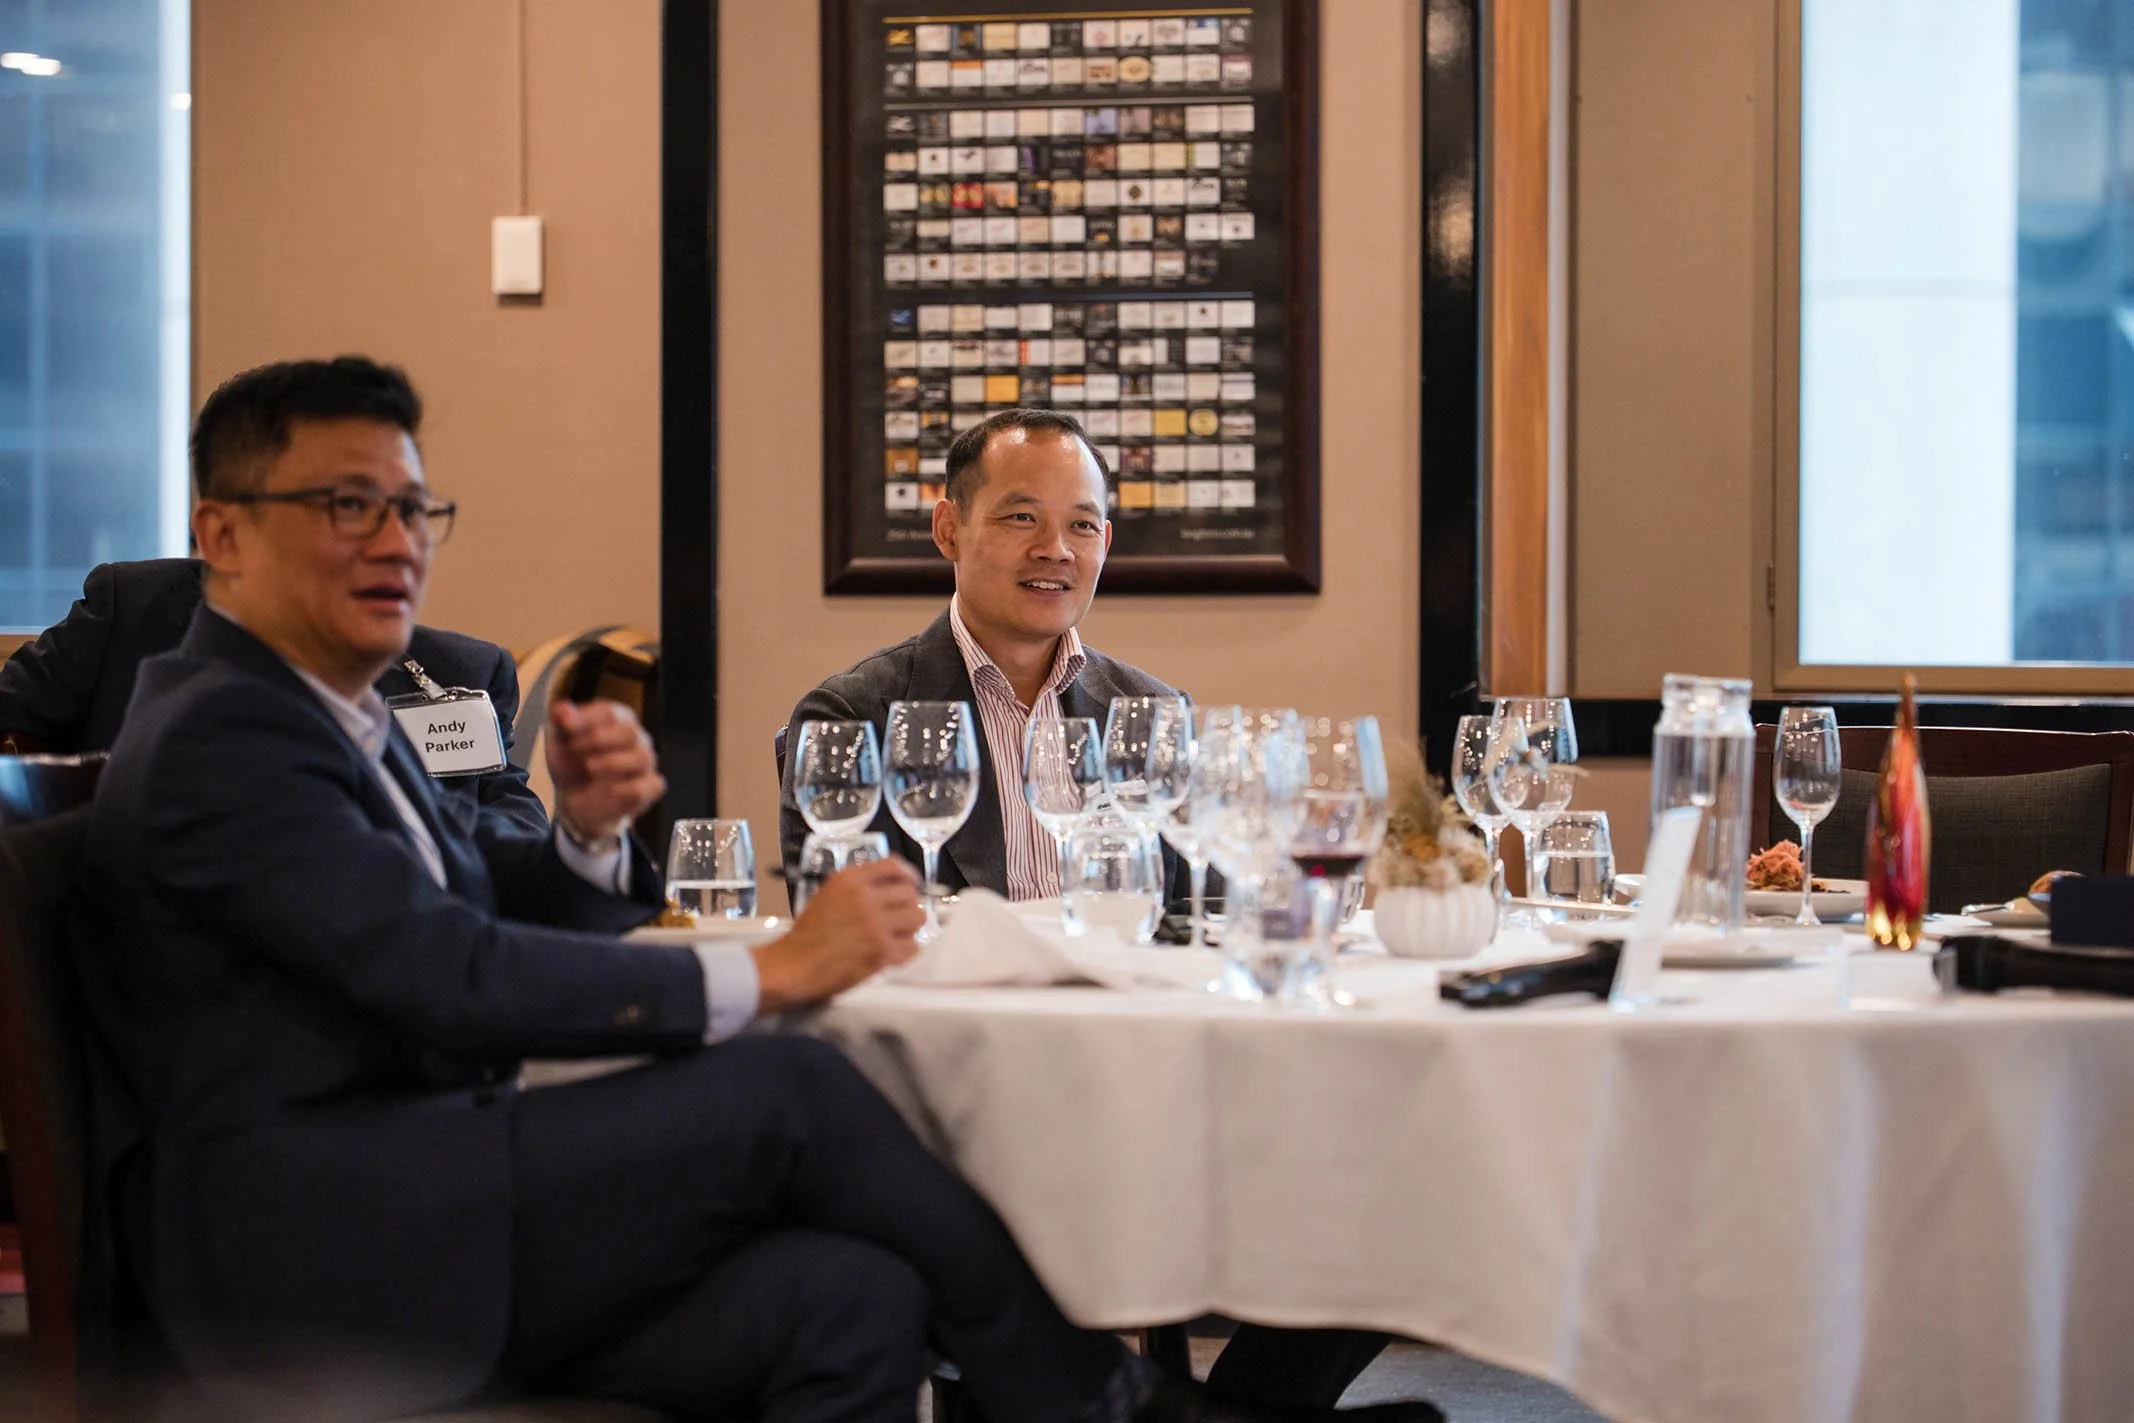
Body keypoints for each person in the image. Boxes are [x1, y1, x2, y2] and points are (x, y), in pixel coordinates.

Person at [72, 357, 1440, 1423]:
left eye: (412, 506)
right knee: (787, 1087)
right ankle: (1108, 1402)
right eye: (342, 505)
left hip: (429, 1198)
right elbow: (445, 974)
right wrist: (768, 968)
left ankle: (1118, 1399)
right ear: (222, 533)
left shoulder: (335, 715)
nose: (395, 540)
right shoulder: (218, 730)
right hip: (315, 1248)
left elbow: (485, 907)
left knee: (847, 1295)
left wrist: (590, 838)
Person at [779, 408, 1393, 1411]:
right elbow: (852, 935)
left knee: (1383, 1193)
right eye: (1020, 517)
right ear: (947, 529)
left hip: (1149, 1080)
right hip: (962, 1098)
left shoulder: (1152, 711)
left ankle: (1224, 1408)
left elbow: (1201, 921)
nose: (1055, 549)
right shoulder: (853, 716)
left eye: (1085, 524)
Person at [0, 556, 547, 838]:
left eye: (405, 508)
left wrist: (591, 838)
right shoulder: (134, 610)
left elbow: (512, 836)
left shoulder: (461, 670)